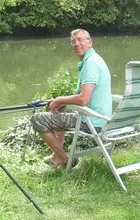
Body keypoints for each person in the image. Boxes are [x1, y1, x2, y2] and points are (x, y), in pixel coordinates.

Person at [29, 29, 112, 168]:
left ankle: (65, 159)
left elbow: (83, 99)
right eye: (73, 41)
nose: (76, 44)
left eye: (80, 40)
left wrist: (60, 99)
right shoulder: (94, 59)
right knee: (58, 108)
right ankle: (56, 157)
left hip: (92, 123)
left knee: (37, 120)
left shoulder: (91, 63)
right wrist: (59, 101)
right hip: (101, 118)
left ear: (90, 42)